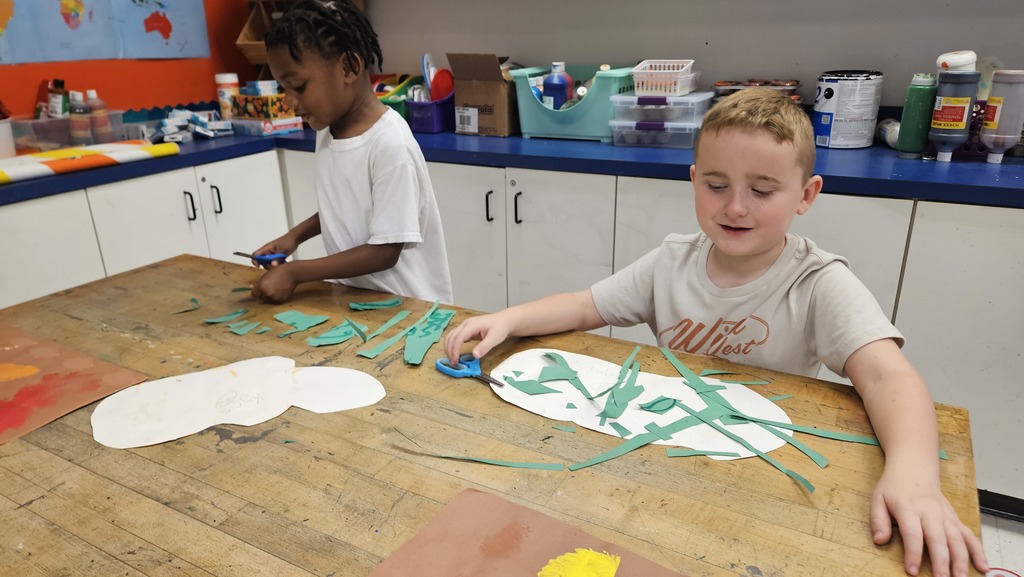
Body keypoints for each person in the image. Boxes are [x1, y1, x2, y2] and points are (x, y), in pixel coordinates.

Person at [443, 88, 988, 577]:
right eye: (717, 184)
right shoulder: (671, 261)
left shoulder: (819, 282)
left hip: (766, 480)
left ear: (806, 195)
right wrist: (508, 319)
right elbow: (585, 306)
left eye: (762, 190)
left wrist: (914, 479)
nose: (734, 207)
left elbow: (890, 377)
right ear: (693, 180)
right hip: (664, 465)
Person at [249, 0, 452, 304]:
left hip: (408, 312)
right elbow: (346, 205)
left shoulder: (389, 144)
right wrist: (294, 237)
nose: (290, 101)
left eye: (299, 86)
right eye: (283, 89)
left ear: (349, 67)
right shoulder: (327, 131)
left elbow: (385, 251)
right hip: (356, 302)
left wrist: (295, 272)